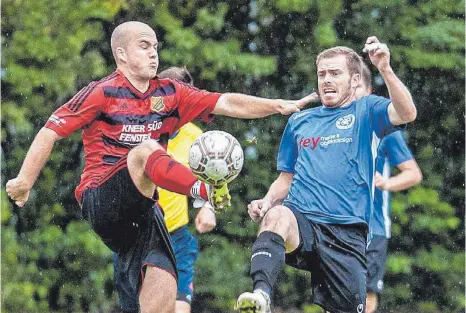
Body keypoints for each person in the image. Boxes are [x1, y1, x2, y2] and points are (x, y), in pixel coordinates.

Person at [5, 21, 315, 313]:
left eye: (155, 46)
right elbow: (51, 130)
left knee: (165, 291)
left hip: (144, 214)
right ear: (122, 54)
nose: (154, 52)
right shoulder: (102, 91)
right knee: (146, 149)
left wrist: (278, 105)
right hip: (101, 198)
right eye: (144, 46)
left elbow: (226, 102)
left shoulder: (170, 93)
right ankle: (203, 188)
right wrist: (24, 182)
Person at [235, 37, 417, 313]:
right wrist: (267, 200)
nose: (327, 80)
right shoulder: (299, 121)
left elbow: (407, 112)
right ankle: (261, 294)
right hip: (304, 220)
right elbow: (286, 178)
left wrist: (385, 69)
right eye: (322, 74)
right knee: (277, 216)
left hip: (347, 233)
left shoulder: (367, 110)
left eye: (335, 73)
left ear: (355, 80)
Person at [113, 66, 217, 313]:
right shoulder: (132, 133)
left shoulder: (196, 137)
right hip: (135, 238)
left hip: (176, 238)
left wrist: (207, 207)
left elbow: (209, 176)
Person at [356, 63, 423, 313]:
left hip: (373, 225)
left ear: (370, 91)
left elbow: (413, 174)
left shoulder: (386, 130)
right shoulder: (333, 127)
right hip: (337, 222)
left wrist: (386, 183)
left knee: (367, 292)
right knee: (335, 291)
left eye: (358, 89)